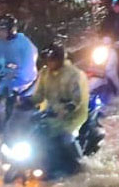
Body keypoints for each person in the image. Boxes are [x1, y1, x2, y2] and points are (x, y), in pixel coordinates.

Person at [30, 43, 90, 177]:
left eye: (51, 60)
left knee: (65, 138)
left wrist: (64, 109)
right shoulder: (45, 73)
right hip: (49, 115)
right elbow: (39, 95)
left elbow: (77, 100)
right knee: (34, 134)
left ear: (59, 59)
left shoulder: (74, 75)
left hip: (72, 117)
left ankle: (79, 166)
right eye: (46, 60)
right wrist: (25, 102)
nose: (48, 63)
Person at [0, 14, 39, 116]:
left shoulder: (25, 44)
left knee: (12, 107)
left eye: (3, 30)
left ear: (11, 30)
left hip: (23, 84)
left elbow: (28, 68)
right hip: (2, 83)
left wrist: (15, 79)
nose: (0, 32)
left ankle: (10, 125)